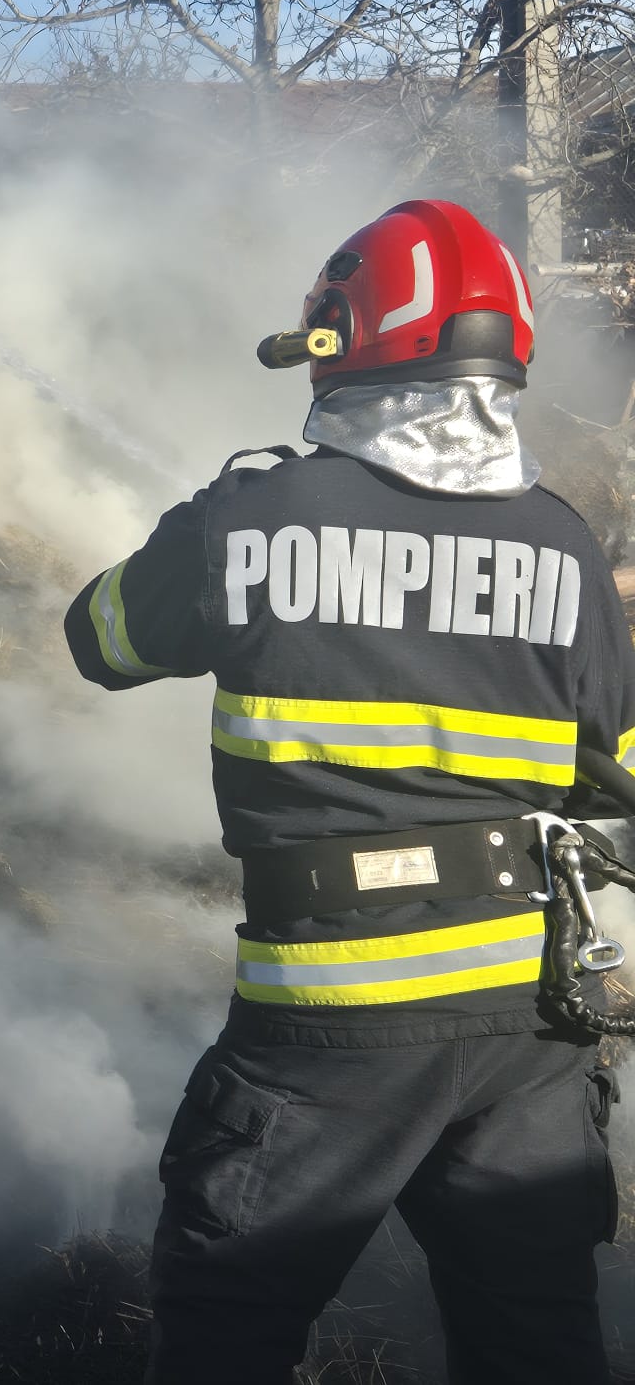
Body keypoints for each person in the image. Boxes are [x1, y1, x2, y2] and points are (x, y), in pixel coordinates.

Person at [65, 198, 628, 1384]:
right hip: (528, 1013)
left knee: (227, 1321)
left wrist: (203, 529)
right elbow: (614, 773)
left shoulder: (251, 512)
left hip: (335, 1010)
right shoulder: (564, 545)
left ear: (342, 336)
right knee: (532, 1335)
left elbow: (100, 641)